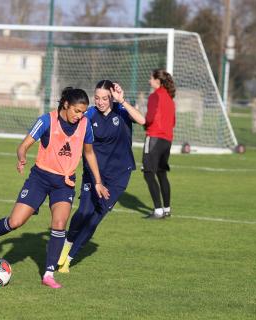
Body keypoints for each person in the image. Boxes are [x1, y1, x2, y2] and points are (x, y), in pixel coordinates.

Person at [0, 87, 109, 289]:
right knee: (16, 221)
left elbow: (89, 154)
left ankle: (48, 274)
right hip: (40, 178)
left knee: (59, 223)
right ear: (66, 105)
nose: (79, 115)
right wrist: (21, 157)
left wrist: (98, 181)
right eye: (76, 111)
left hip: (64, 183)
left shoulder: (85, 125)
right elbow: (24, 145)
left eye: (83, 112)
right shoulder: (47, 120)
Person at [57, 80, 145, 273]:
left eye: (105, 98)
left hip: (118, 176)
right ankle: (66, 245)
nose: (101, 102)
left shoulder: (121, 111)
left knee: (95, 218)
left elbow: (143, 121)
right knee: (83, 212)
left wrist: (122, 101)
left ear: (112, 97)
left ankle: (69, 260)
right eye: (97, 98)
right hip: (93, 172)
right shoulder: (88, 115)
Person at [143, 69, 176, 219]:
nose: (149, 81)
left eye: (151, 78)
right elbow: (173, 121)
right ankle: (167, 209)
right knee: (161, 173)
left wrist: (142, 122)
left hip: (154, 138)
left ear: (157, 80)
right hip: (167, 140)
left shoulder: (154, 96)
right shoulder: (169, 98)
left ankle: (158, 211)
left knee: (149, 174)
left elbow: (149, 119)